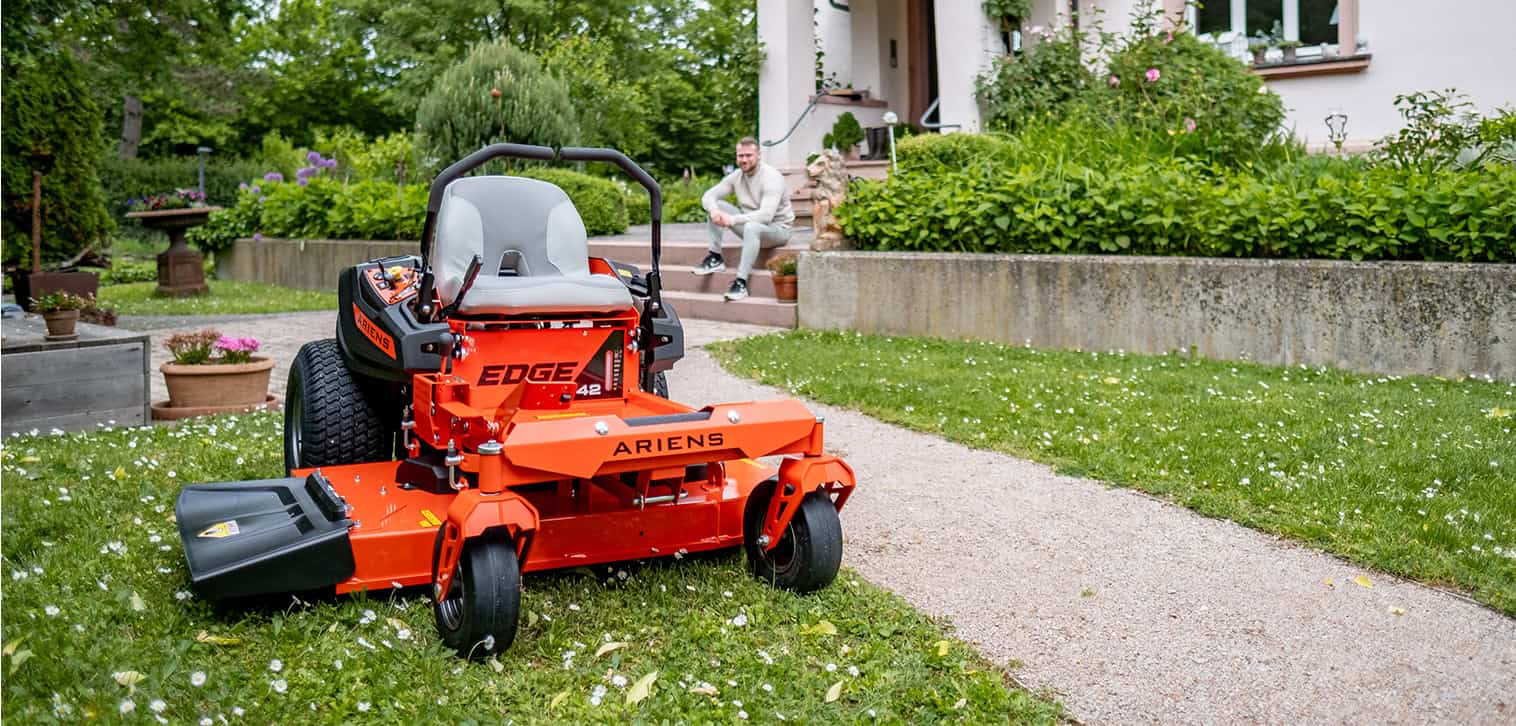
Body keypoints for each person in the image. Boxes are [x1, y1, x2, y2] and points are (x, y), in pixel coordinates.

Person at [695, 137, 794, 301]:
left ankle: (741, 283)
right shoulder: (737, 176)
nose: (744, 160)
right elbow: (709, 195)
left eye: (749, 155)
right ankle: (715, 257)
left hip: (777, 230)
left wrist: (733, 220)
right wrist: (713, 211)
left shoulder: (772, 178)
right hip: (751, 227)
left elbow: (766, 215)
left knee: (752, 227)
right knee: (717, 205)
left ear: (759, 155)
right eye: (740, 156)